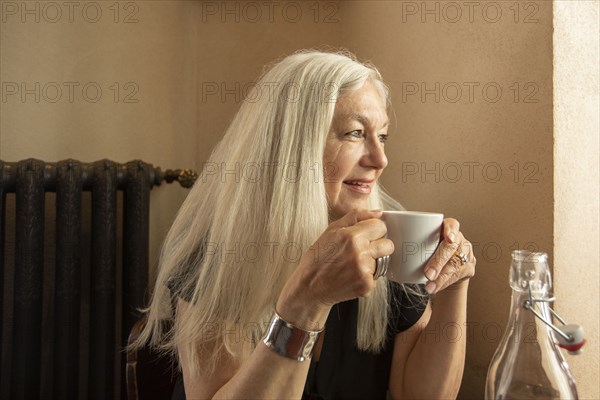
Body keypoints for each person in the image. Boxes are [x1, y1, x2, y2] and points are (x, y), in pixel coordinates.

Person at [134, 49, 476, 400]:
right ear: (295, 148)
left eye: (383, 136)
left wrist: (453, 289)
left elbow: (422, 395)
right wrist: (306, 302)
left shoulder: (391, 239)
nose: (380, 159)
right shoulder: (220, 255)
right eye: (355, 133)